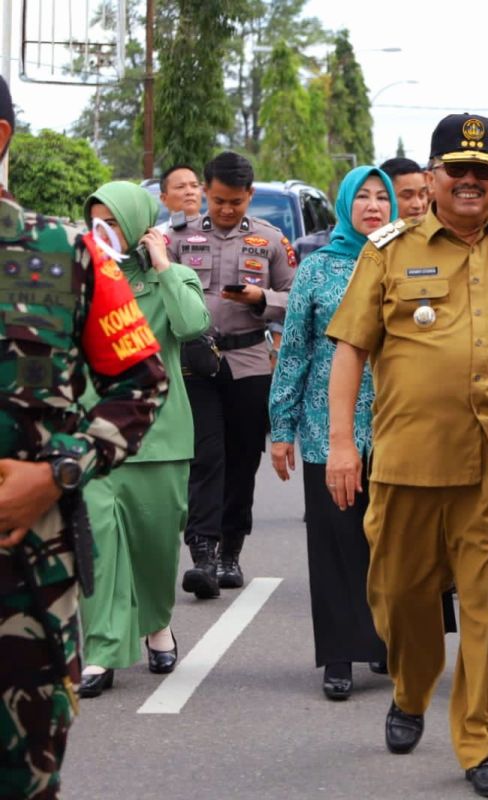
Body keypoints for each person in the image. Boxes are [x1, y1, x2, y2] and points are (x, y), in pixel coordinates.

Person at [324, 113, 488, 798]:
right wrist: (340, 443)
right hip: (410, 459)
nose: (471, 181)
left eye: (484, 171)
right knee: (400, 594)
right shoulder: (388, 250)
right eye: (457, 169)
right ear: (434, 177)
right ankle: (411, 689)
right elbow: (351, 346)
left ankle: (484, 745)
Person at [0, 76, 168, 800]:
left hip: (27, 579)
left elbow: (142, 383)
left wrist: (59, 471)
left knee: (26, 776)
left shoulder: (68, 255)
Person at [76, 183, 210, 698]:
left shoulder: (173, 278)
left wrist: (163, 264)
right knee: (100, 546)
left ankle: (157, 624)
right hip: (95, 436)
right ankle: (105, 650)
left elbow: (192, 324)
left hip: (161, 437)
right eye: (94, 221)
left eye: (112, 221)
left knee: (154, 549)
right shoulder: (81, 279)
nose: (101, 232)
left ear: (135, 224)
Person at [269, 166, 396, 700]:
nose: (373, 206)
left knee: (394, 541)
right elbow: (294, 349)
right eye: (362, 197)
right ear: (346, 206)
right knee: (336, 542)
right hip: (328, 428)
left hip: (398, 426)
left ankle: (393, 643)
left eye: (380, 197)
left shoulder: (409, 260)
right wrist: (282, 427)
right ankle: (340, 655)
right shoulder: (319, 269)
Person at [166, 151, 294, 599]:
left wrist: (262, 298)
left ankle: (230, 552)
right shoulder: (178, 239)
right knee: (205, 457)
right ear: (205, 191)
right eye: (218, 200)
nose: (226, 210)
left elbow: (295, 297)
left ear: (250, 196)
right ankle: (202, 552)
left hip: (249, 364)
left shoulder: (270, 240)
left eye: (236, 202)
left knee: (242, 460)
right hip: (196, 364)